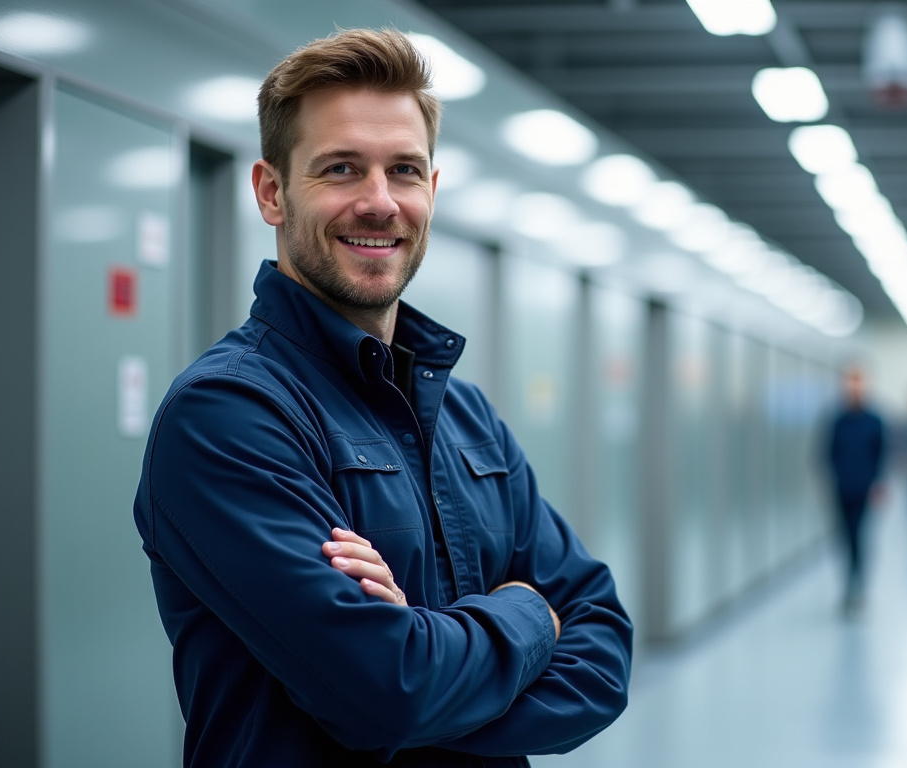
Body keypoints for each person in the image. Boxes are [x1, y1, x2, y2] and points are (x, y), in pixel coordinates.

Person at [133, 29, 631, 767]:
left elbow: (605, 654)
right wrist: (531, 611)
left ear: (431, 191)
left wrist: (429, 657)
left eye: (403, 170)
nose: (378, 203)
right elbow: (388, 691)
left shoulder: (468, 420)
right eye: (341, 169)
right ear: (273, 192)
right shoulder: (227, 416)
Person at [825, 367, 887, 617]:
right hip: (842, 488)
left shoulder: (874, 421)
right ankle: (848, 584)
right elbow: (828, 452)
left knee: (860, 537)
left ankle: (858, 586)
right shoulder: (837, 420)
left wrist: (878, 484)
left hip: (865, 489)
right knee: (845, 538)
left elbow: (881, 454)